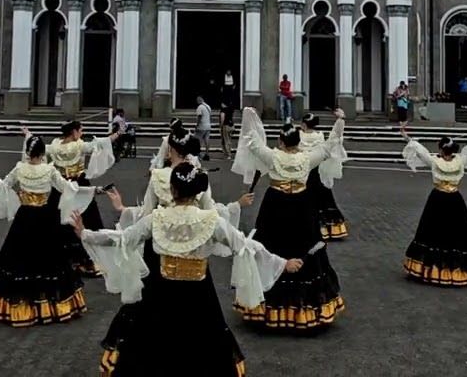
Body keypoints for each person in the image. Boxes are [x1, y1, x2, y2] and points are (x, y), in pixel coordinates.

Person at [75, 161, 302, 376]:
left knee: (154, 342)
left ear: (172, 189)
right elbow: (244, 245)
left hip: (161, 294)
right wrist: (281, 262)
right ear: (198, 192)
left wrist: (86, 234)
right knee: (203, 343)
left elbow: (123, 239)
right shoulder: (211, 220)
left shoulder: (157, 218)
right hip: (199, 295)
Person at [231, 107, 347, 331]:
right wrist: (340, 121)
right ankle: (305, 307)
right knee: (305, 245)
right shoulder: (307, 159)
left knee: (271, 244)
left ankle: (268, 301)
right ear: (298, 142)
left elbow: (252, 142)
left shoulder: (273, 157)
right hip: (302, 206)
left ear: (282, 142)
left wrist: (248, 116)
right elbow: (330, 144)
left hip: (276, 206)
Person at [0, 128, 96, 327]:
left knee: (18, 257)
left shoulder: (20, 169)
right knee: (49, 259)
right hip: (45, 219)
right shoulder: (49, 170)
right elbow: (68, 188)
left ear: (28, 152)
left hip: (25, 219)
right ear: (43, 153)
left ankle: (18, 306)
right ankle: (52, 305)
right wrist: (94, 190)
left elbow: (3, 185)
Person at [400, 130, 467, 286]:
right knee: (461, 232)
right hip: (455, 200)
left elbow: (419, 150)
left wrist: (406, 136)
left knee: (432, 232)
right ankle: (463, 269)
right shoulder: (460, 161)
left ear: (440, 149)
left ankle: (431, 269)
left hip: (438, 199)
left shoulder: (435, 162)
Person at [116, 129, 251, 230]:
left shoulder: (158, 176)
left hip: (164, 240)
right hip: (191, 241)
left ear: (170, 148)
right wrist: (236, 205)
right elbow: (212, 213)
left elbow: (145, 214)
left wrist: (123, 209)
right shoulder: (197, 175)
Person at [48, 119, 121, 276]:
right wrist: (115, 135)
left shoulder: (54, 146)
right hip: (78, 183)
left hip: (60, 187)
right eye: (80, 131)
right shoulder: (79, 145)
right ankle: (87, 260)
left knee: (58, 220)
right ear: (74, 132)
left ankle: (62, 258)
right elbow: (97, 145)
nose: (81, 134)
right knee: (88, 219)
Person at [297, 113, 349, 240]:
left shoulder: (299, 136)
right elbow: (335, 137)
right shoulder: (320, 137)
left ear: (303, 124)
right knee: (323, 199)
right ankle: (329, 228)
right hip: (317, 173)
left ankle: (303, 227)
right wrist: (340, 120)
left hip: (302, 173)